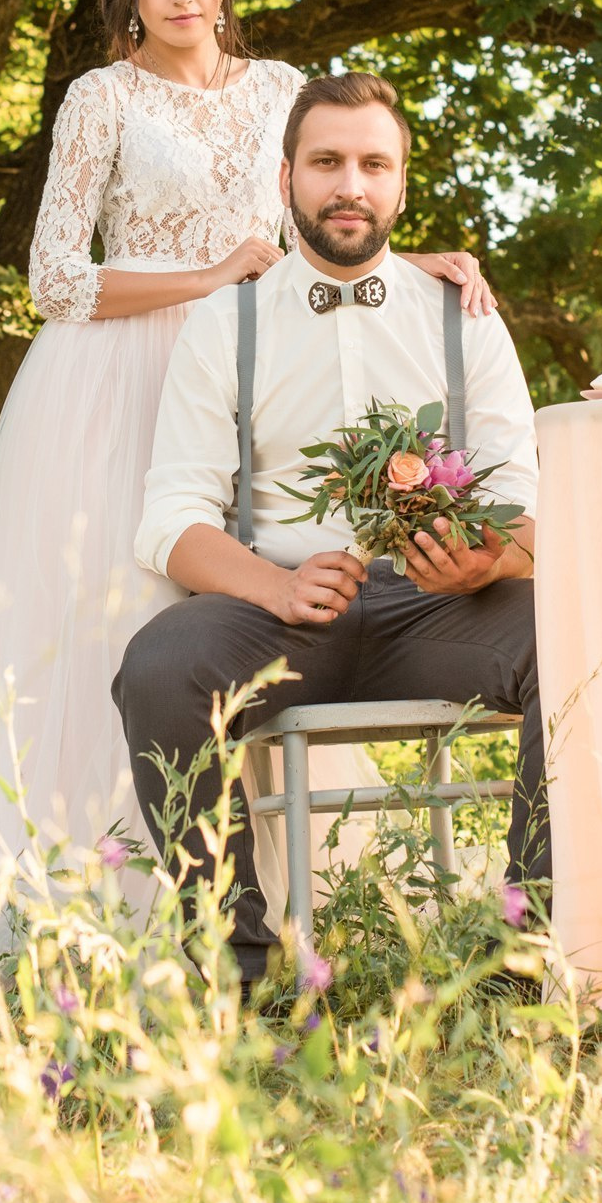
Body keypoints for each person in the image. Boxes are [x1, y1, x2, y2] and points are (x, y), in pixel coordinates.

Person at [0, 0, 494, 989]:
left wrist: (413, 263)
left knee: (267, 612)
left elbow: (332, 213)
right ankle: (90, 893)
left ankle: (263, 894)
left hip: (265, 371)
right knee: (127, 628)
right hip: (117, 379)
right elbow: (54, 277)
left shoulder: (286, 89)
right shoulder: (102, 99)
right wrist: (208, 277)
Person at [114, 70, 545, 989]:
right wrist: (275, 586)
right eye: (326, 162)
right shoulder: (223, 324)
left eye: (372, 164)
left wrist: (482, 564)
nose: (349, 184)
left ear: (399, 186)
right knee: (157, 667)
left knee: (579, 637)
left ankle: (527, 947)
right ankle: (237, 970)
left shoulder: (464, 318)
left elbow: (527, 504)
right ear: (285, 181)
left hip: (438, 614)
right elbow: (172, 516)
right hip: (273, 615)